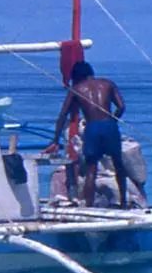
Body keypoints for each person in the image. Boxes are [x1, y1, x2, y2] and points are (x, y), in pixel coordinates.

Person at [43, 59, 128, 207]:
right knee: (118, 164)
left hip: (92, 127)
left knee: (91, 168)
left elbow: (63, 115)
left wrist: (55, 140)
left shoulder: (76, 89)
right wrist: (113, 121)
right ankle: (124, 202)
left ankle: (88, 205)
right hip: (109, 125)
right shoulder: (108, 83)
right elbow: (121, 107)